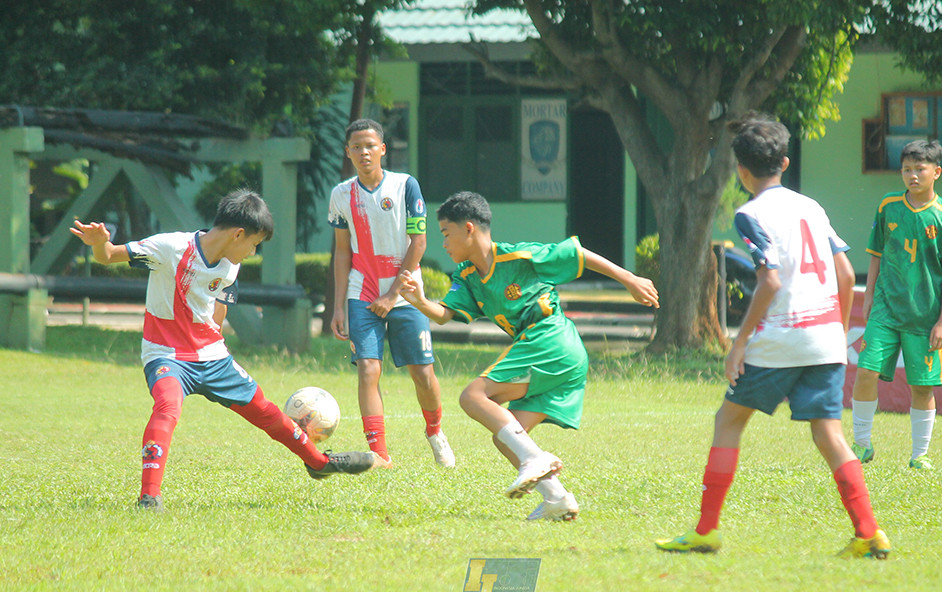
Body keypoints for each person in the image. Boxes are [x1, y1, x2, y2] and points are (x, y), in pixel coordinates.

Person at [655, 113, 891, 558]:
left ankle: (706, 530)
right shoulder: (811, 206)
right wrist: (836, 331)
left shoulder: (750, 213)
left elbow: (771, 282)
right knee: (829, 433)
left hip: (782, 339)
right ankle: (868, 532)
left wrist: (739, 343)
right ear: (784, 162)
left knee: (728, 421)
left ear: (741, 171)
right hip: (825, 339)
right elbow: (844, 272)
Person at [71, 190, 377, 512]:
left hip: (213, 357)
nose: (253, 251)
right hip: (167, 354)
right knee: (167, 407)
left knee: (266, 410)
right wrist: (97, 242)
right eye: (254, 244)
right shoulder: (171, 248)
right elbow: (107, 256)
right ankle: (149, 497)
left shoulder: (231, 264)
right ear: (238, 234)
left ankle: (318, 463)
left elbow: (218, 311)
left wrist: (215, 345)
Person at [399, 191, 658, 521]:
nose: (444, 244)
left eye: (446, 234)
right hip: (554, 354)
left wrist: (630, 278)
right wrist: (419, 299)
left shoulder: (519, 256)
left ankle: (537, 463)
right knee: (507, 441)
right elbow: (444, 314)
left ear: (468, 229)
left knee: (472, 397)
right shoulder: (467, 277)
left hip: (551, 338)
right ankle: (557, 498)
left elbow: (577, 254)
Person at [328, 118, 454, 468]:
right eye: (356, 146)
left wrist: (393, 293)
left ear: (383, 149)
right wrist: (338, 307)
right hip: (361, 291)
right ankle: (380, 453)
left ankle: (434, 431)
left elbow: (419, 241)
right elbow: (342, 252)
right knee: (368, 369)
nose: (364, 152)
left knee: (422, 373)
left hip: (406, 294)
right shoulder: (341, 195)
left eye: (370, 145)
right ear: (348, 152)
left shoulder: (405, 186)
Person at [850, 139, 942, 471]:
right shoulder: (887, 206)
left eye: (920, 169)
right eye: (906, 169)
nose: (912, 176)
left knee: (921, 386)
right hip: (886, 312)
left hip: (925, 317)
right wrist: (869, 296)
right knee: (865, 371)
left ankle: (920, 455)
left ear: (937, 172)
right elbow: (875, 256)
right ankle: (861, 444)